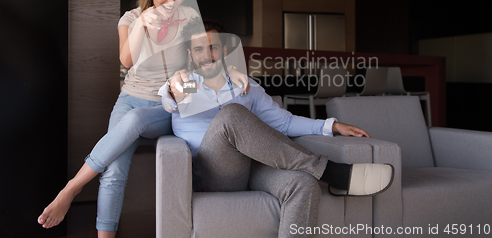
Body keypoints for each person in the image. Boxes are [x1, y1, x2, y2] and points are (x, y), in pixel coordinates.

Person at [37, 0, 249, 237]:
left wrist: (231, 69)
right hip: (130, 98)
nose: (171, 1)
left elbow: (204, 54)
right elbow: (126, 59)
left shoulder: (190, 19)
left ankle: (72, 186)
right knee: (113, 172)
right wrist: (140, 25)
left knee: (135, 119)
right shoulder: (129, 18)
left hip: (170, 103)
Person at [158, 18, 394, 237]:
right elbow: (177, 98)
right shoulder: (186, 84)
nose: (207, 55)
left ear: (224, 51)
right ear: (190, 54)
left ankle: (318, 173)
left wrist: (331, 125)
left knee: (303, 184)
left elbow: (284, 122)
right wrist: (178, 83)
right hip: (212, 173)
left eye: (213, 48)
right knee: (231, 114)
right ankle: (330, 171)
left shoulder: (246, 85)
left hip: (252, 168)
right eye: (199, 49)